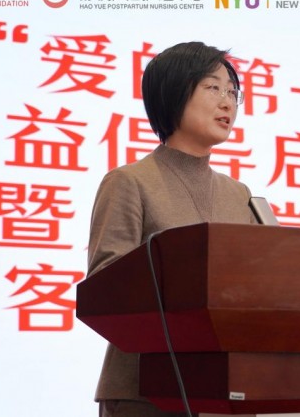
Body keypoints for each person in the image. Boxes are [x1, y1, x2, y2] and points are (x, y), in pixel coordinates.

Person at [86, 41, 256, 417]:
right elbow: (104, 288)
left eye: (232, 92)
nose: (228, 103)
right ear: (174, 93)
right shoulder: (130, 182)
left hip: (223, 389)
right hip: (143, 392)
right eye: (213, 88)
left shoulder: (239, 195)